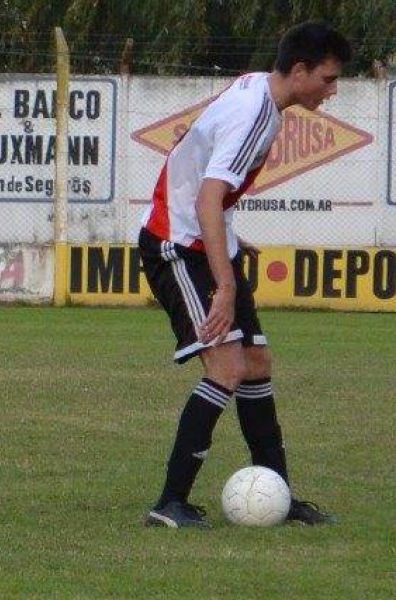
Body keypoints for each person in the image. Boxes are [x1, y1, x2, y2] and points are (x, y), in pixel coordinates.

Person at [138, 22, 350, 528]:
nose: (332, 89)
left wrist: (230, 239)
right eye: (327, 78)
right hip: (177, 246)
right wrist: (226, 285)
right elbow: (209, 196)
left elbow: (198, 143)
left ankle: (277, 493)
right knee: (226, 367)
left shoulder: (256, 90)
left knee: (255, 361)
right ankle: (169, 503)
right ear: (299, 71)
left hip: (209, 241)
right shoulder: (256, 111)